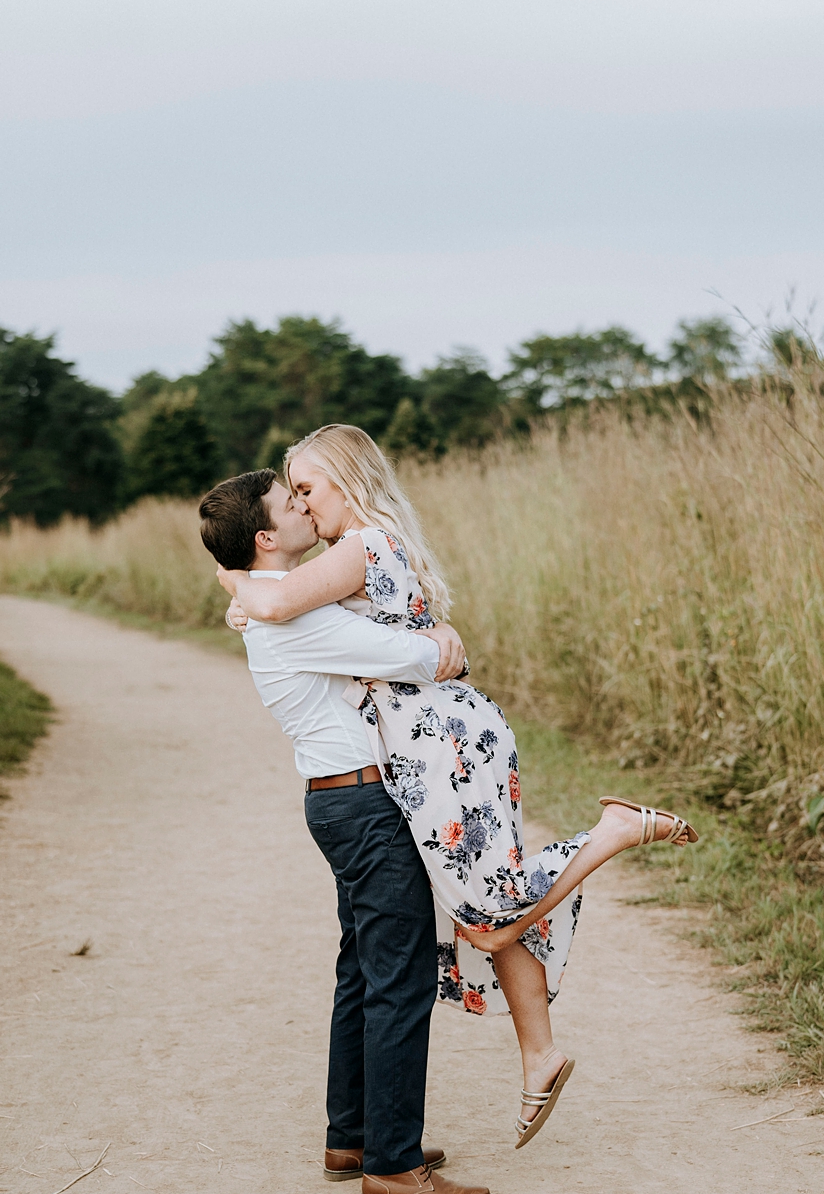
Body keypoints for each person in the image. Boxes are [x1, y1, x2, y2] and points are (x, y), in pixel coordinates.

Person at [218, 426, 698, 1150]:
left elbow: (282, 606)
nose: (305, 508)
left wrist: (234, 581)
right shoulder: (367, 550)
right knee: (484, 910)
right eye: (295, 497)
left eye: (308, 489)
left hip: (438, 748)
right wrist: (249, 595)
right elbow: (291, 606)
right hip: (440, 744)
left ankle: (614, 833)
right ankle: (537, 1056)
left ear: (348, 481)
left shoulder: (360, 547)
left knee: (487, 909)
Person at [199, 468, 492, 1194]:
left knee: (363, 971)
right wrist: (443, 640)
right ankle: (392, 1165)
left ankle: (354, 1135)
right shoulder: (297, 617)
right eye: (288, 504)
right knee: (399, 979)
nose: (303, 506)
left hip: (341, 803)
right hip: (363, 807)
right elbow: (425, 660)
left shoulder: (280, 605)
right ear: (267, 538)